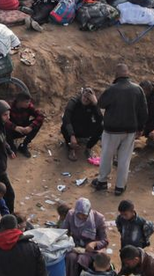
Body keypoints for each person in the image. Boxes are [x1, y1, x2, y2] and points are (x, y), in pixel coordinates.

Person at [93, 64, 147, 197]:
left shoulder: (112, 89)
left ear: (116, 75)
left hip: (111, 130)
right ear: (128, 74)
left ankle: (102, 181)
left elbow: (101, 104)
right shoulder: (138, 89)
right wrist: (140, 128)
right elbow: (144, 111)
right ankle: (119, 187)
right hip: (130, 131)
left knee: (106, 156)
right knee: (124, 159)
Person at [61, 87, 103, 161]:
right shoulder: (74, 101)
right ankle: (71, 149)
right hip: (74, 128)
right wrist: (72, 135)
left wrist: (96, 104)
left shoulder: (93, 105)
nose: (85, 100)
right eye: (84, 97)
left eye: (88, 99)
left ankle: (88, 148)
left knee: (101, 126)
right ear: (82, 94)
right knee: (64, 126)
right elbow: (66, 118)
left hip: (86, 128)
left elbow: (100, 119)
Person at [3, 91, 44, 157]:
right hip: (12, 131)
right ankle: (11, 146)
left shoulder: (29, 107)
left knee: (38, 123)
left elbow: (40, 116)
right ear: (20, 102)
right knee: (5, 126)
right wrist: (15, 127)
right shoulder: (9, 106)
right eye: (26, 102)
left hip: (23, 129)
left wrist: (30, 127)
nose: (29, 103)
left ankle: (23, 145)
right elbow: (2, 120)